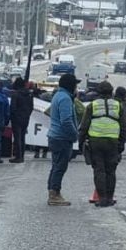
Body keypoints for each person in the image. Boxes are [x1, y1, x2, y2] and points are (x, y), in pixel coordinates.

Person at [79, 81, 126, 207]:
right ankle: (110, 198)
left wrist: (80, 142)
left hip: (95, 141)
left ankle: (102, 198)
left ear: (98, 93)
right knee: (111, 171)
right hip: (112, 142)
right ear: (111, 92)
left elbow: (84, 126)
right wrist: (121, 143)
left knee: (99, 170)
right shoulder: (118, 106)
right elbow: (123, 127)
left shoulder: (92, 105)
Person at [46, 73, 80, 206]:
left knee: (56, 166)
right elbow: (66, 120)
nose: (77, 88)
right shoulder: (65, 98)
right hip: (62, 138)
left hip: (55, 136)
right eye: (75, 85)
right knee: (60, 167)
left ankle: (52, 191)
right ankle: (54, 194)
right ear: (71, 85)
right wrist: (74, 134)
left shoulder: (58, 96)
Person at [9, 77, 33, 163]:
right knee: (22, 137)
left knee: (17, 138)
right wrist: (27, 115)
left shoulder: (15, 94)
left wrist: (13, 116)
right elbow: (31, 107)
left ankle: (18, 156)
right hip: (25, 118)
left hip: (16, 119)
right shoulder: (29, 94)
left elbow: (12, 107)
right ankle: (21, 155)